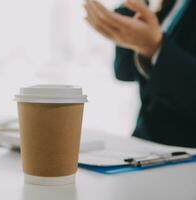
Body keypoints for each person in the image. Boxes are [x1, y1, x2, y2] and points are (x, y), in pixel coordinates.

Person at [84, 0, 196, 147]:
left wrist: (155, 48)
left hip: (184, 151)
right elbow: (124, 70)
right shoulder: (167, 5)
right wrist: (135, 6)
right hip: (143, 145)